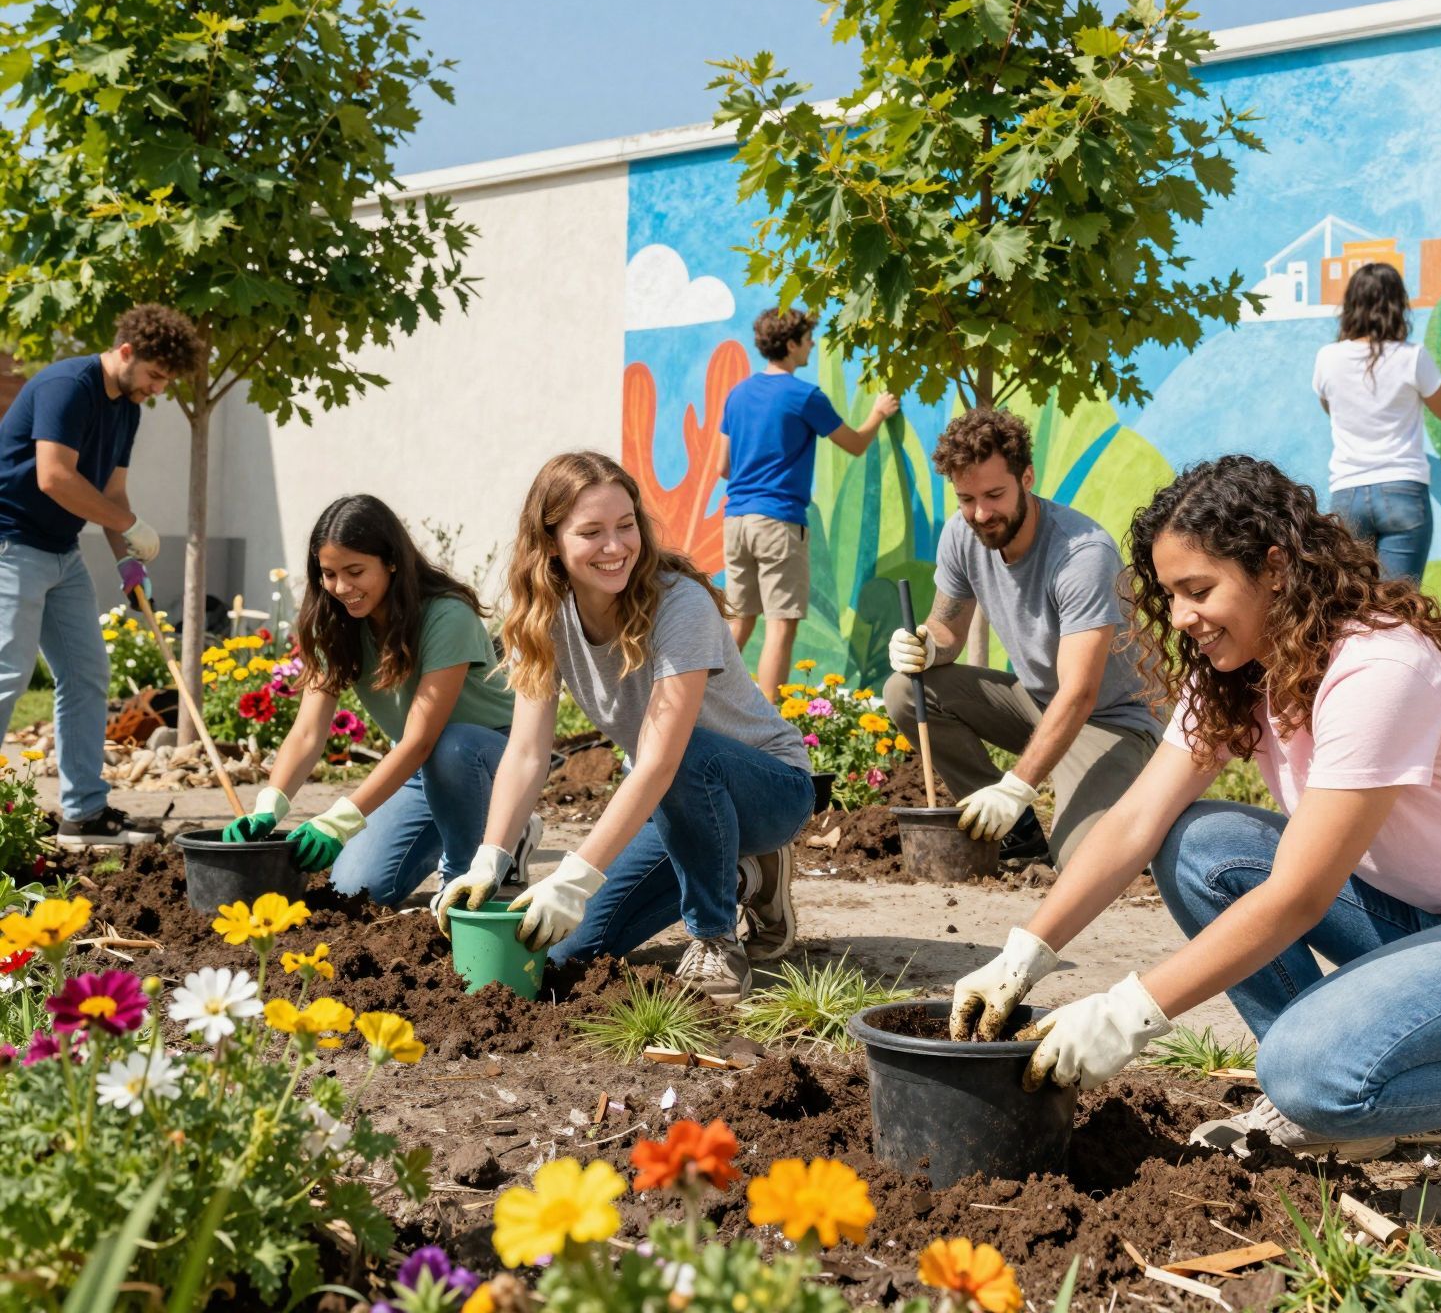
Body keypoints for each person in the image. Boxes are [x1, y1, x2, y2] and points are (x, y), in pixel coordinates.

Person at [949, 456, 1441, 1218]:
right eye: (1170, 595)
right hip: (1430, 924)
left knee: (1308, 1075)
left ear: (1275, 569)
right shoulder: (1242, 666)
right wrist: (1024, 952)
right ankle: (1337, 1105)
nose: (1181, 617)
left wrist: (1127, 1013)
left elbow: (1300, 896)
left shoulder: (1377, 668)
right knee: (1198, 845)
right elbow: (1137, 820)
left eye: (1198, 590)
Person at [433, 451, 815, 1001]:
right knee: (566, 950)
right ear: (551, 543)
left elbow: (661, 760)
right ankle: (747, 876)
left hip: (769, 790)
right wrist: (490, 859)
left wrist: (574, 877)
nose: (615, 547)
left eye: (626, 525)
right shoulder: (544, 615)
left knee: (682, 756)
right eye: (591, 532)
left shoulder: (679, 603)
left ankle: (714, 938)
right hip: (676, 802)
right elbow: (526, 752)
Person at [222, 496, 540, 902]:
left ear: (391, 561)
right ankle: (496, 829)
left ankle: (473, 868)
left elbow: (422, 739)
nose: (342, 588)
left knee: (452, 745)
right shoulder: (333, 623)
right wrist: (269, 804)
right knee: (355, 888)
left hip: (494, 757)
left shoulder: (446, 615)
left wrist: (339, 821)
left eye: (355, 572)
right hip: (421, 767)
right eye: (329, 574)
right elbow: (307, 733)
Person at [886, 408, 1161, 866]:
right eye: (966, 498)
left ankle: (1150, 807)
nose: (981, 513)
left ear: (1027, 478)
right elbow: (947, 629)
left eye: (995, 495)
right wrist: (926, 645)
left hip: (1112, 721)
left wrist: (1016, 786)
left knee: (1078, 861)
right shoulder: (961, 534)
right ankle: (1017, 833)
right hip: (1038, 702)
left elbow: (1080, 693)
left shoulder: (1082, 554)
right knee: (904, 691)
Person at [0, 305, 203, 847]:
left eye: (167, 380)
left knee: (87, 673)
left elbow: (112, 495)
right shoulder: (68, 386)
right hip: (10, 543)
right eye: (155, 375)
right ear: (126, 351)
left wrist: (127, 560)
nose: (157, 389)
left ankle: (84, 814)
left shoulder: (128, 410)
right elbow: (54, 477)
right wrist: (131, 526)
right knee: (8, 675)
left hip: (61, 551)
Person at [717, 308, 899, 702]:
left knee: (740, 621)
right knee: (781, 625)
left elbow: (722, 467)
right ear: (791, 344)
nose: (812, 345)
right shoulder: (804, 396)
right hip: (778, 522)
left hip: (736, 520)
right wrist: (878, 414)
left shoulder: (738, 394)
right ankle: (770, 722)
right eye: (806, 339)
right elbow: (854, 444)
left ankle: (705, 704)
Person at [1312, 262, 1441, 583]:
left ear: (1351, 306)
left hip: (1348, 493)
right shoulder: (1412, 356)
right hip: (1403, 489)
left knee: (1352, 601)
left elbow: (1332, 409)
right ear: (1398, 306)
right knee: (1398, 604)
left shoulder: (1327, 358)